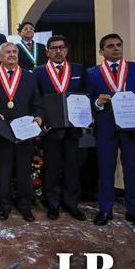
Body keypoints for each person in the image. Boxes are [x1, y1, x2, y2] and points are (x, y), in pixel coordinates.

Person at [0, 43, 43, 222]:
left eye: (14, 52)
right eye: (8, 52)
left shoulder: (29, 77)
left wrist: (39, 116)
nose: (12, 55)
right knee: (3, 170)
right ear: (0, 56)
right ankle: (5, 206)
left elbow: (37, 101)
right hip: (2, 132)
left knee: (24, 169)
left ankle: (25, 206)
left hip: (24, 130)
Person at [86, 33, 135, 227]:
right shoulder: (93, 72)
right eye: (110, 46)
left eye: (118, 45)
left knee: (133, 169)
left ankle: (133, 209)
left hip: (132, 126)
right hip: (106, 126)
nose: (116, 48)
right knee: (106, 169)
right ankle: (105, 209)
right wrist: (98, 102)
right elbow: (88, 98)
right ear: (101, 51)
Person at [33, 35, 87, 221]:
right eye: (53, 48)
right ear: (47, 51)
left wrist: (86, 117)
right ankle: (53, 204)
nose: (57, 51)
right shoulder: (38, 72)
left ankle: (71, 203)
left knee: (72, 167)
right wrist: (42, 122)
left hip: (73, 128)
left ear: (66, 50)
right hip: (51, 129)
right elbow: (37, 100)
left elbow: (84, 96)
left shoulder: (78, 69)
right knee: (52, 167)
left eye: (61, 48)